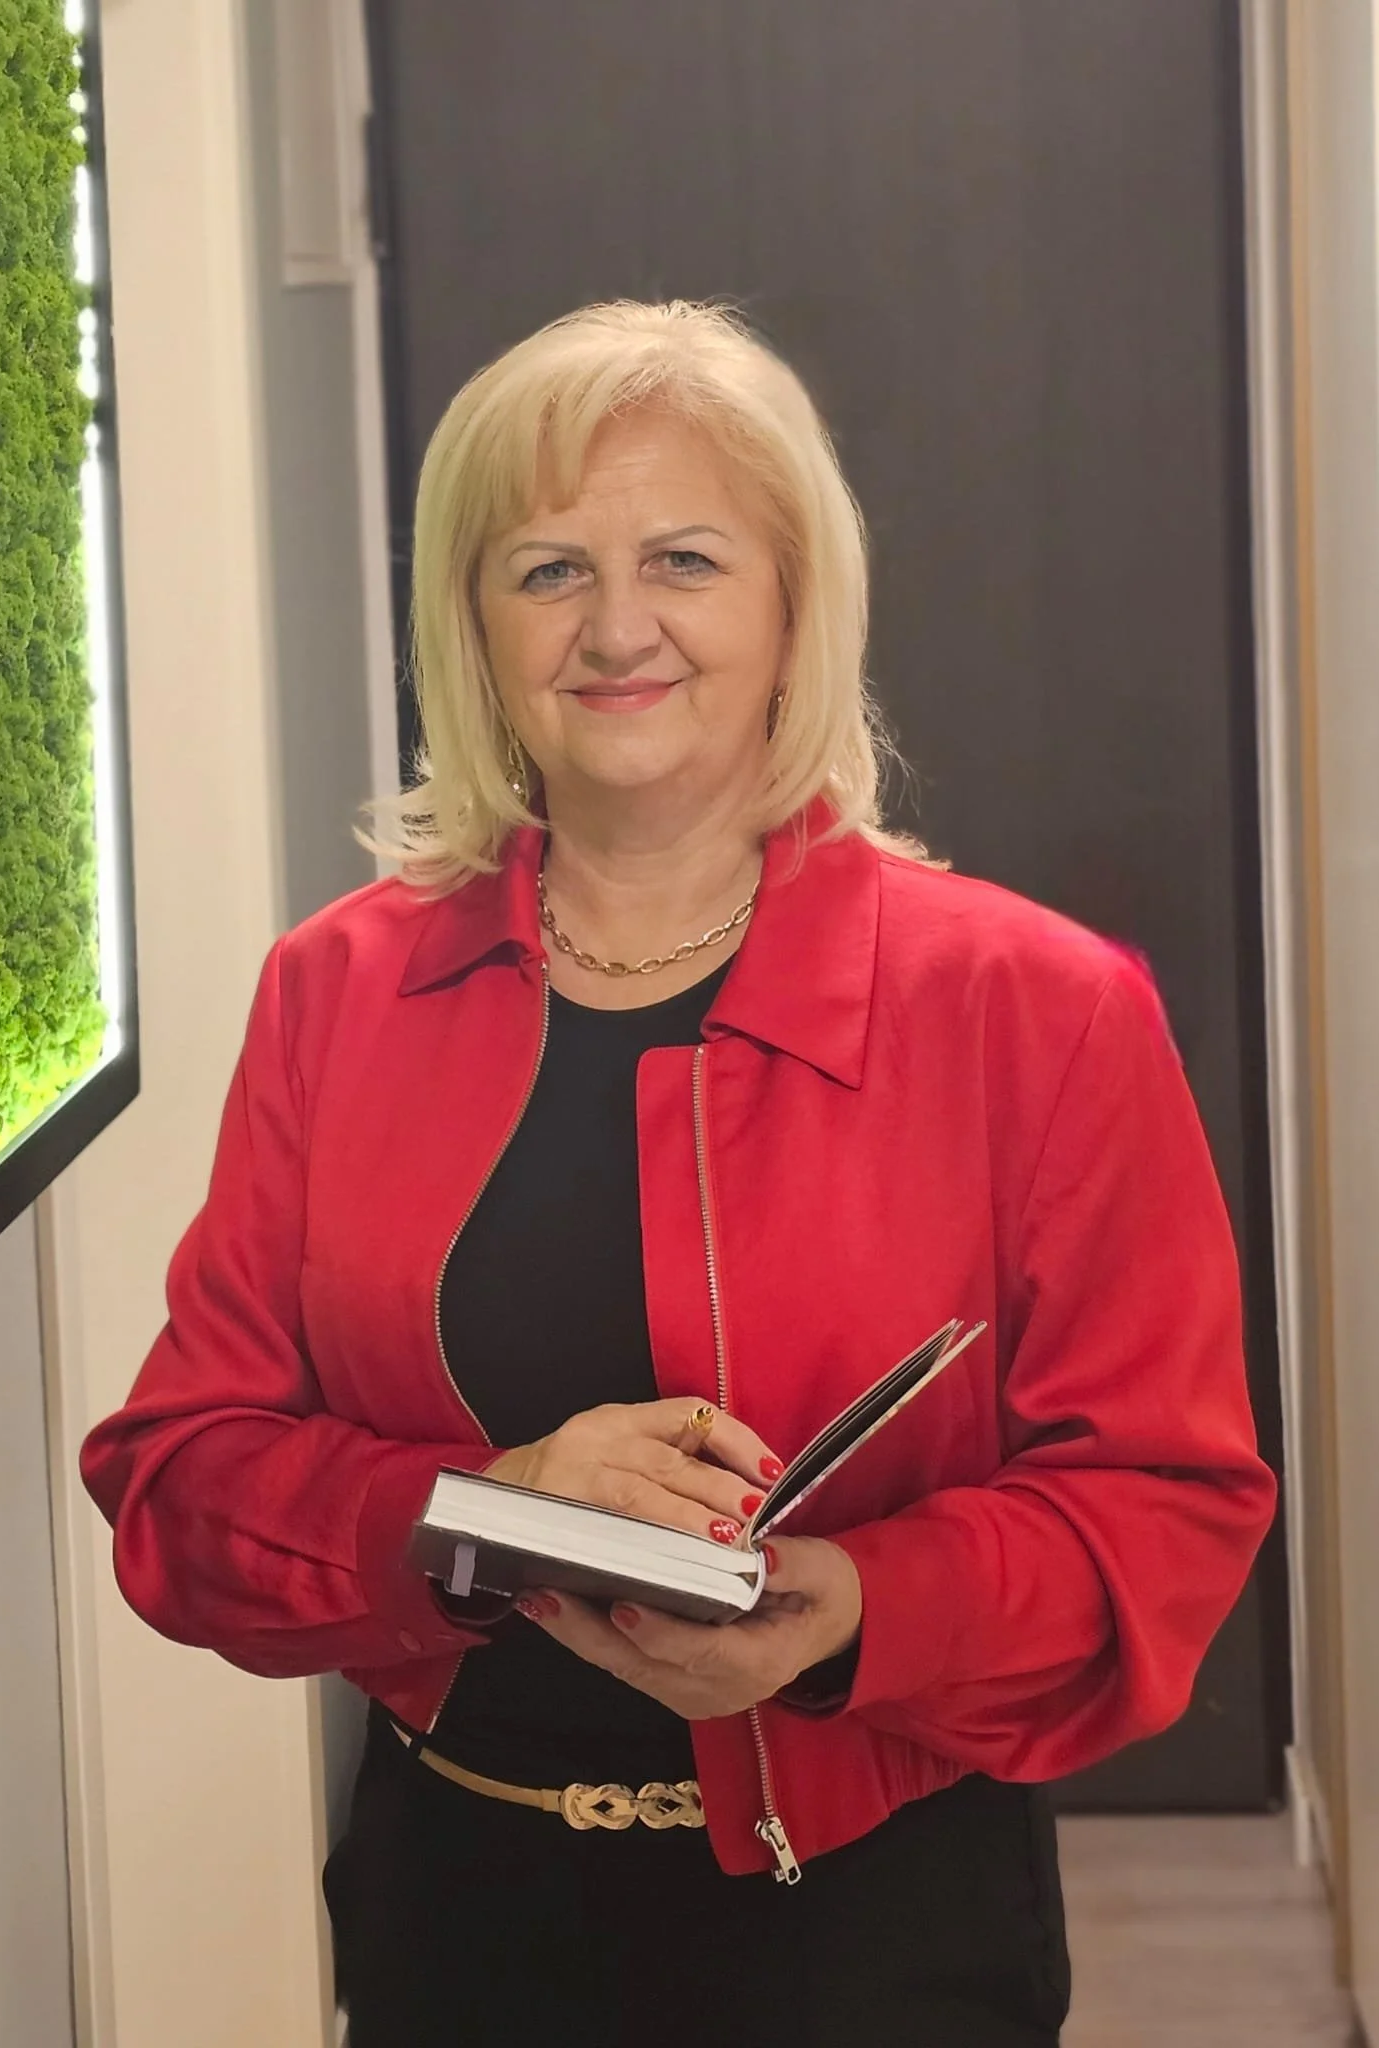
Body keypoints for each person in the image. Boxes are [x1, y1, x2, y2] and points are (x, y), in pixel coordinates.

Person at [81, 300, 1275, 2047]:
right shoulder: (333, 990)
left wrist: (855, 1609)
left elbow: (1167, 1514)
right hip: (457, 1915)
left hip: (875, 1938)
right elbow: (181, 1484)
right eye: (548, 569)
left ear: (796, 610)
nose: (617, 627)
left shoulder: (1039, 1008)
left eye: (686, 561)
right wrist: (486, 1510)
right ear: (474, 629)